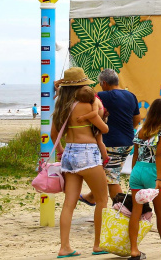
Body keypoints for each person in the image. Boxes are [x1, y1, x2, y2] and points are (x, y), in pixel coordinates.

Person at [51, 67, 110, 258]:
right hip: (88, 153)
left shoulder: (60, 106)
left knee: (69, 203)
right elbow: (102, 125)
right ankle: (98, 245)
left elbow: (53, 134)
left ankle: (65, 247)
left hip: (69, 153)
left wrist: (61, 150)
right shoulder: (89, 104)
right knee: (102, 199)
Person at [128, 98, 161, 259]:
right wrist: (158, 179)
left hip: (137, 170)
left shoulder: (140, 130)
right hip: (152, 172)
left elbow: (135, 154)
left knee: (135, 212)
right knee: (160, 211)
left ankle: (134, 250)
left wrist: (133, 173)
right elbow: (158, 155)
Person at [80, 69, 140, 206]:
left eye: (101, 84)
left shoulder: (103, 96)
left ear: (104, 83)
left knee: (112, 178)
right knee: (109, 173)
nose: (101, 86)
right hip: (128, 141)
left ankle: (123, 210)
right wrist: (128, 129)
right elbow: (137, 118)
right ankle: (91, 196)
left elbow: (83, 99)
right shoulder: (131, 96)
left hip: (112, 143)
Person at [73, 86, 110, 169]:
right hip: (97, 121)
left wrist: (84, 117)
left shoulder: (95, 101)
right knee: (99, 141)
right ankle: (104, 157)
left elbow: (94, 113)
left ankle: (105, 157)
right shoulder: (92, 99)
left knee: (100, 141)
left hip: (100, 120)